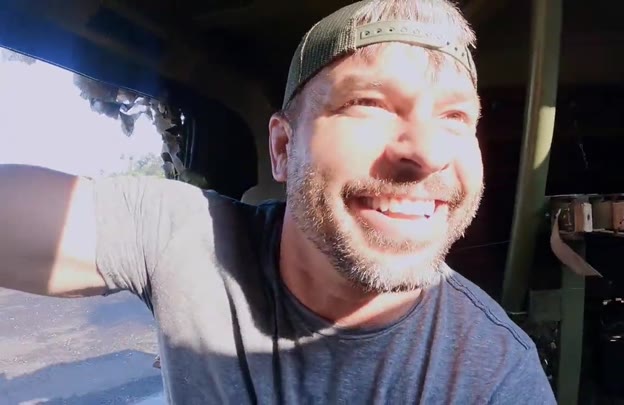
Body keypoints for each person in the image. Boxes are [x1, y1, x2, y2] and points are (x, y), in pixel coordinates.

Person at [0, 0, 556, 403]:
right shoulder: (186, 237)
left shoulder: (496, 373)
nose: (429, 152)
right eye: (368, 103)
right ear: (284, 148)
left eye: (455, 116)